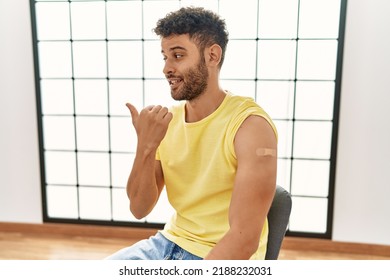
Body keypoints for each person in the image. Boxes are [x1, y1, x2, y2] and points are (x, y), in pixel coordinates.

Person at [106, 6, 277, 260]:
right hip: (167, 243)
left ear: (212, 55)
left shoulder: (250, 126)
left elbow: (244, 240)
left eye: (177, 55)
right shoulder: (168, 122)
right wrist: (146, 145)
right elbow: (139, 208)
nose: (166, 68)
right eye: (164, 56)